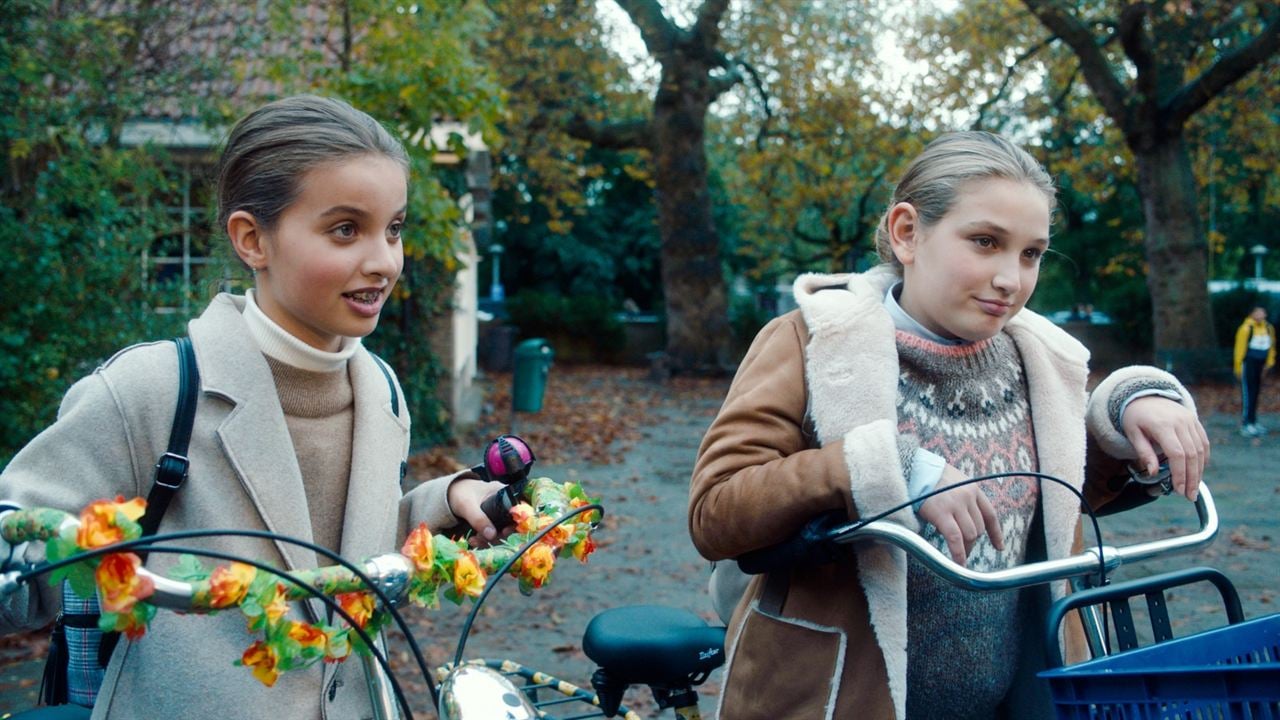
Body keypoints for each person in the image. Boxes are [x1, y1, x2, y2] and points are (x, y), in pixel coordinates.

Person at [0, 95, 504, 718]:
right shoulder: (152, 389)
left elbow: (331, 556)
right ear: (252, 239)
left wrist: (447, 501)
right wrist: (62, 550)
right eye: (346, 229)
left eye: (393, 228)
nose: (384, 261)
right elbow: (15, 569)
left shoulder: (383, 390)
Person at [689, 131, 1210, 720]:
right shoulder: (811, 342)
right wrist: (895, 468)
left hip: (1014, 700)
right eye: (985, 242)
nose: (1011, 278)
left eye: (1031, 253)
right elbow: (716, 511)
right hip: (836, 700)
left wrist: (1133, 407)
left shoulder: (1039, 360)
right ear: (907, 233)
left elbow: (1054, 496)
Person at [1233, 305, 1275, 437]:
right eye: (1259, 312)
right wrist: (1238, 367)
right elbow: (1240, 349)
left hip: (1260, 364)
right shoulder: (1246, 329)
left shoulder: (1268, 328)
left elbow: (1271, 346)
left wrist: (1269, 363)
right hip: (1248, 364)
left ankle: (1253, 421)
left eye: (1263, 312)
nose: (1263, 315)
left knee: (1256, 392)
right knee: (1248, 393)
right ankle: (1246, 423)